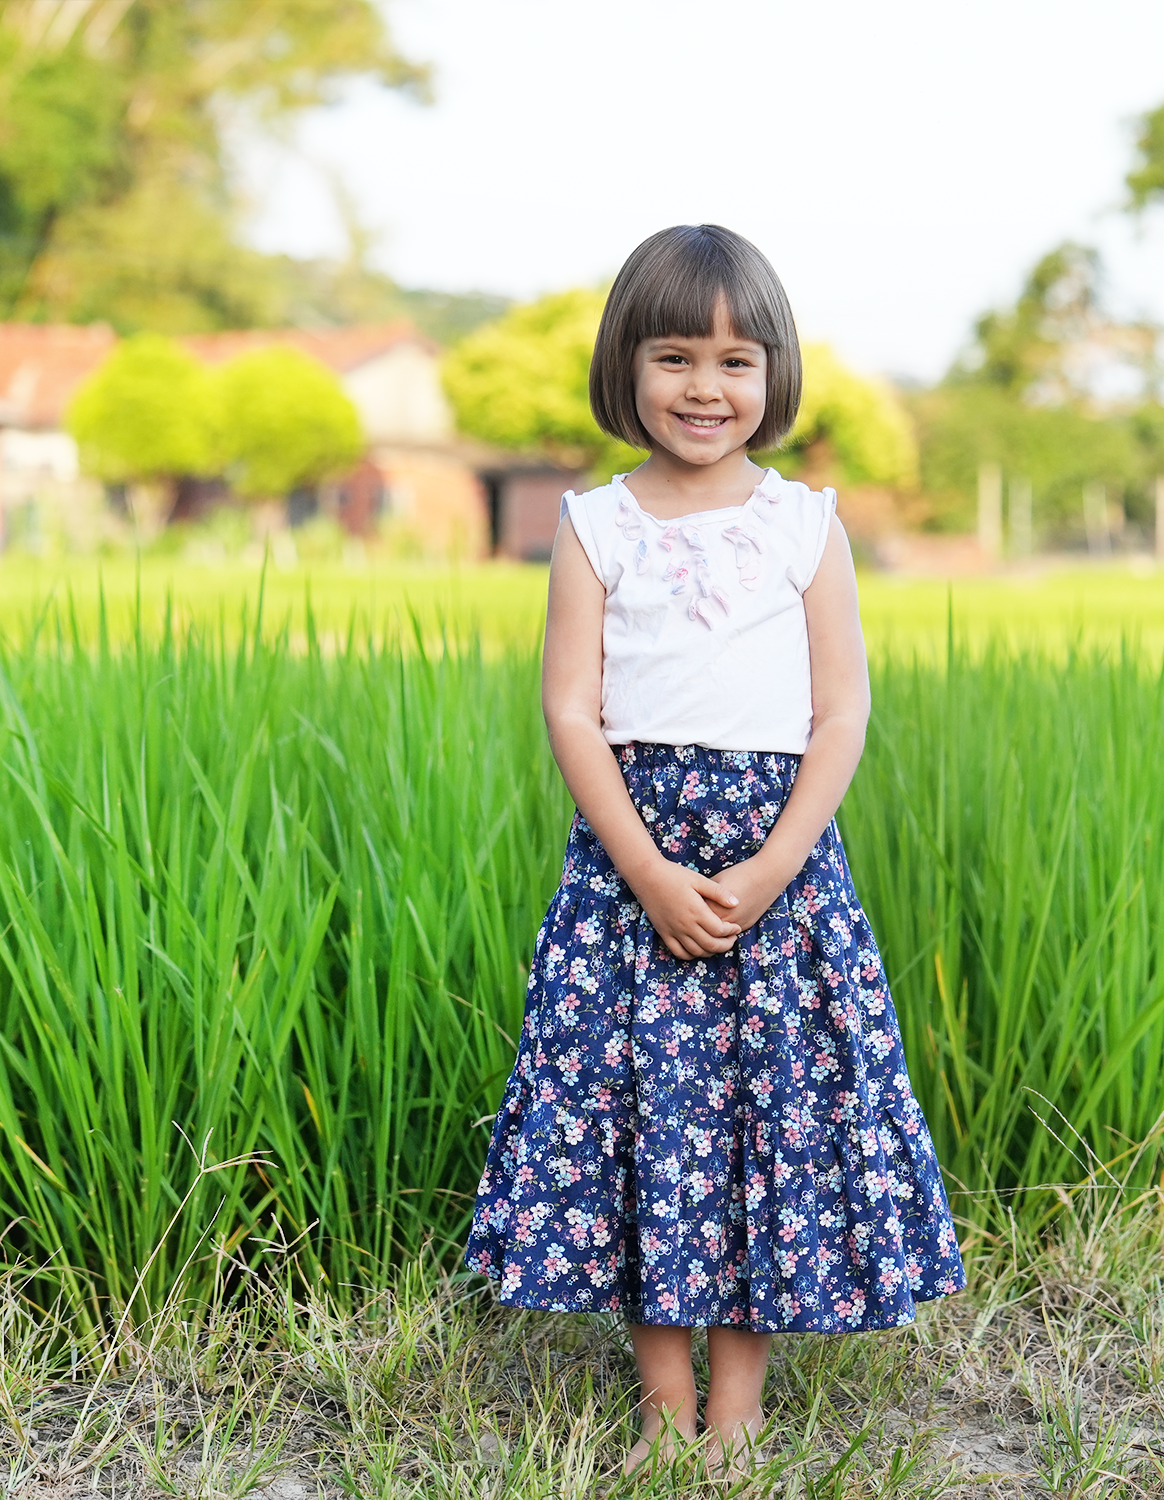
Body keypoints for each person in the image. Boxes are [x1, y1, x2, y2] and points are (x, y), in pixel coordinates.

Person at [464, 224, 965, 1480]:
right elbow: (571, 710)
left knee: (766, 1125)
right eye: (674, 356)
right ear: (625, 370)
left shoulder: (806, 527)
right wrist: (643, 871)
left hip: (776, 878)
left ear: (774, 375)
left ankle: (737, 1409)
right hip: (633, 869)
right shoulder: (594, 525)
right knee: (650, 1119)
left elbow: (839, 711)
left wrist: (776, 865)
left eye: (736, 360)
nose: (705, 387)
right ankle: (659, 1402)